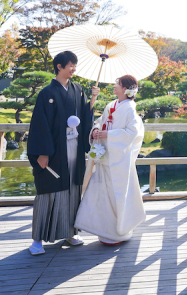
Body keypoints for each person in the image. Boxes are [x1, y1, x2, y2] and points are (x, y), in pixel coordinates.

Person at [27, 51, 99, 256]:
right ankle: (37, 240)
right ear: (59, 66)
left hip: (75, 146)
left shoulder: (78, 89)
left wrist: (92, 101)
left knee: (72, 189)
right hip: (54, 149)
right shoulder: (47, 93)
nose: (74, 69)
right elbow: (40, 124)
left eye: (75, 65)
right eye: (71, 65)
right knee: (48, 191)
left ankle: (70, 232)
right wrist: (42, 152)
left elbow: (84, 116)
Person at [74, 74, 146, 245]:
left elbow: (133, 133)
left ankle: (119, 231)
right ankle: (105, 230)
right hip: (105, 154)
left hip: (119, 160)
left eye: (118, 84)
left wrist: (108, 134)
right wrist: (95, 131)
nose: (114, 86)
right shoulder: (111, 105)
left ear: (126, 89)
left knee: (117, 194)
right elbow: (100, 121)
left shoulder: (130, 108)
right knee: (102, 193)